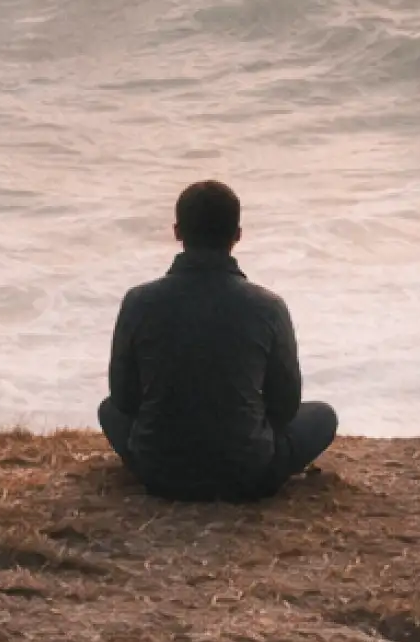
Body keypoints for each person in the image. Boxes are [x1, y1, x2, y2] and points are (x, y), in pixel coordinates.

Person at [98, 180, 338, 501]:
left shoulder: (139, 301)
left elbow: (124, 400)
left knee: (107, 410)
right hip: (247, 474)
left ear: (177, 232)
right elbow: (286, 405)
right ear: (237, 235)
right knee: (323, 416)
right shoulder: (268, 306)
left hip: (160, 471)